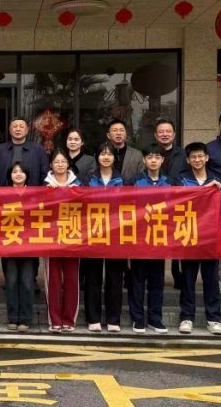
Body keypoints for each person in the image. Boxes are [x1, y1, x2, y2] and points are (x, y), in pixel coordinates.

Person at [175, 142, 221, 335]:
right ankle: (186, 317)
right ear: (188, 160)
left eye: (200, 156)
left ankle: (213, 319)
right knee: (187, 281)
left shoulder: (218, 182)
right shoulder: (180, 180)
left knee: (211, 280)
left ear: (207, 158)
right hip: (188, 237)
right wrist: (204, 190)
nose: (197, 160)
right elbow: (178, 202)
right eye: (193, 157)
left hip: (211, 239)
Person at [83, 142, 126, 332]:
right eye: (102, 153)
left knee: (114, 277)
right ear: (97, 157)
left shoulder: (122, 180)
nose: (106, 157)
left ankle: (113, 319)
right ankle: (93, 318)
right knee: (92, 277)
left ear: (115, 158)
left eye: (109, 154)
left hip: (116, 234)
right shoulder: (89, 179)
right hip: (92, 233)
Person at [130, 144, 171, 334]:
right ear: (144, 160)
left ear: (162, 160)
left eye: (157, 157)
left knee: (157, 281)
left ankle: (155, 319)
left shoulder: (170, 182)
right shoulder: (134, 181)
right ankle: (138, 319)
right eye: (150, 157)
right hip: (138, 238)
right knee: (137, 281)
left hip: (159, 238)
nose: (153, 160)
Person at [44, 149, 80, 332]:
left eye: (63, 161)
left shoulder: (78, 185)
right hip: (51, 239)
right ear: (51, 165)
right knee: (53, 280)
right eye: (56, 161)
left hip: (73, 237)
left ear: (68, 164)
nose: (60, 164)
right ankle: (55, 319)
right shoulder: (44, 186)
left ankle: (69, 319)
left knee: (72, 279)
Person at [2, 162, 36, 333]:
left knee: (27, 282)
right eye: (15, 171)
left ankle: (25, 318)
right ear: (10, 175)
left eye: (22, 171)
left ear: (27, 175)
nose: (18, 174)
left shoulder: (35, 194)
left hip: (30, 245)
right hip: (9, 244)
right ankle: (13, 317)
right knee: (11, 281)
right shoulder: (3, 194)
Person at [0, 117, 49, 186]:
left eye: (21, 127)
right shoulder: (0, 149)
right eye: (15, 126)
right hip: (5, 190)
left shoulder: (38, 149)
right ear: (10, 130)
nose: (18, 129)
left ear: (27, 130)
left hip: (32, 191)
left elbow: (45, 174)